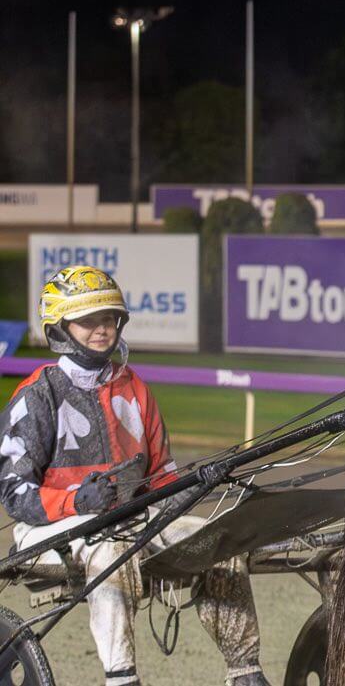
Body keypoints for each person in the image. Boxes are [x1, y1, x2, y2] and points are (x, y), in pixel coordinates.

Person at [0, 266, 270, 686]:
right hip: (50, 531)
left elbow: (161, 477)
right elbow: (14, 493)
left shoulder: (135, 389)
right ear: (60, 327)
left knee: (220, 539)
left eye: (108, 318)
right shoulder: (37, 396)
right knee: (111, 545)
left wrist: (201, 486)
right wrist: (75, 501)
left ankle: (246, 671)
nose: (102, 329)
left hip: (131, 522)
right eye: (88, 320)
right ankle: (122, 678)